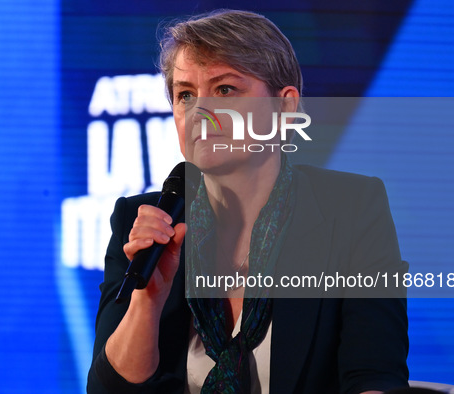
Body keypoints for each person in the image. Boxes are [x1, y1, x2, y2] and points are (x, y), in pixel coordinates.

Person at [87, 9, 409, 394]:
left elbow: (374, 377)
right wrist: (148, 301)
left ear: (285, 107)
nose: (200, 113)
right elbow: (109, 389)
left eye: (225, 89)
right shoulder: (145, 221)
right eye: (185, 94)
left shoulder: (351, 209)